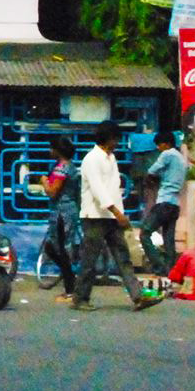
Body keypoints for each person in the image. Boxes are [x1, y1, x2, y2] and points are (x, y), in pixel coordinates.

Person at [72, 122, 165, 312]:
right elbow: (98, 189)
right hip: (94, 216)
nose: (117, 143)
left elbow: (113, 188)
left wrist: (119, 214)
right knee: (90, 260)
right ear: (108, 139)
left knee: (123, 257)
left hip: (111, 216)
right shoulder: (91, 159)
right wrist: (117, 213)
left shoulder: (111, 158)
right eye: (115, 139)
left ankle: (137, 296)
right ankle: (80, 298)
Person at [141, 130, 189, 277]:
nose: (158, 148)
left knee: (145, 234)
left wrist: (149, 180)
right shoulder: (181, 159)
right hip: (175, 204)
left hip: (164, 202)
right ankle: (171, 272)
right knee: (169, 242)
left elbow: (152, 170)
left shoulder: (167, 154)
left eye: (159, 145)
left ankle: (159, 266)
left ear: (166, 144)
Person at [41, 134, 83, 302]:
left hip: (61, 212)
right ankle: (70, 281)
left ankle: (70, 286)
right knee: (59, 248)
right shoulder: (70, 166)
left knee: (57, 249)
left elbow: (52, 191)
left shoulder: (61, 169)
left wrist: (44, 181)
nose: (49, 151)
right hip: (69, 210)